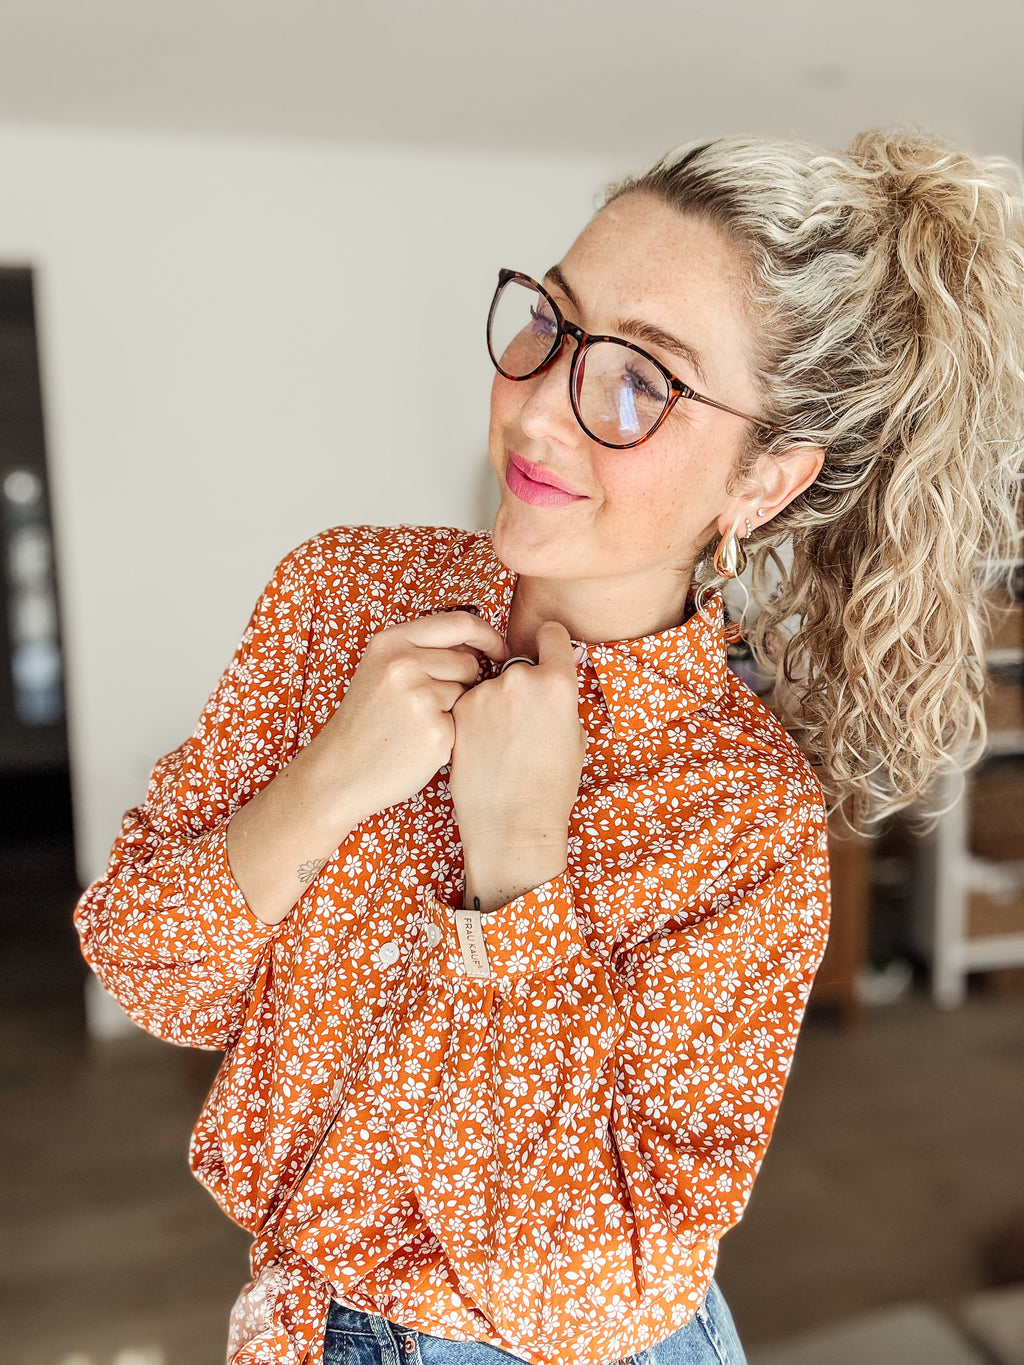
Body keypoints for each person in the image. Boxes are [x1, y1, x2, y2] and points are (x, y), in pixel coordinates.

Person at [76, 126, 1024, 1365]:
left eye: (643, 382)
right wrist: (327, 781)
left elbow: (586, 1298)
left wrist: (518, 868)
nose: (534, 407)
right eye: (550, 324)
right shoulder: (342, 597)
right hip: (292, 1318)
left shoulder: (740, 815)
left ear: (764, 483)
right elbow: (148, 973)